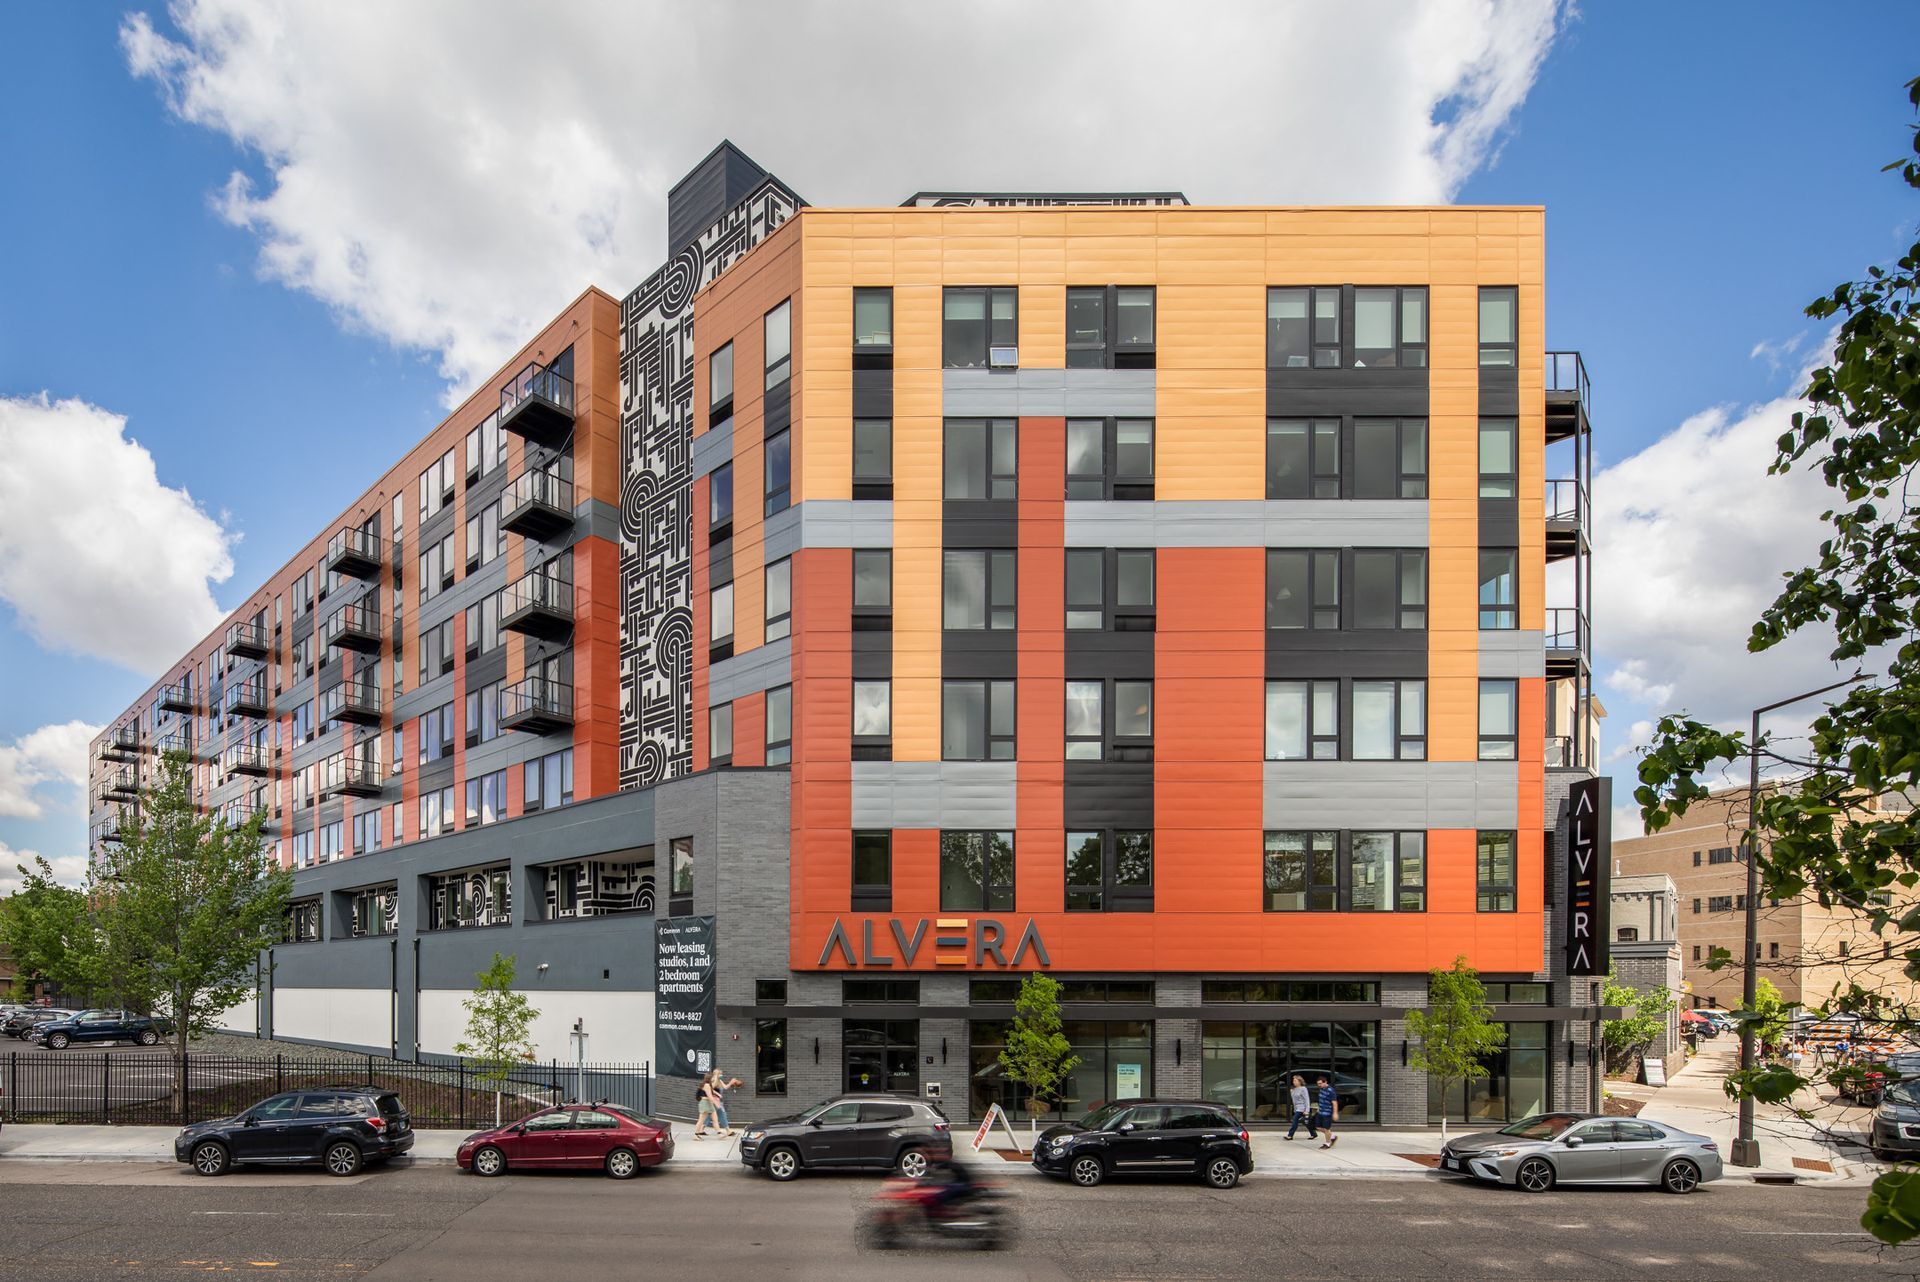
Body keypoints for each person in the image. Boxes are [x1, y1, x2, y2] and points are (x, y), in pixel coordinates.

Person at [708, 1067, 744, 1137]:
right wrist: (717, 1093)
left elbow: (725, 1087)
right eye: (720, 1074)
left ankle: (700, 1130)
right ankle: (728, 1131)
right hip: (715, 1101)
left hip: (718, 1101)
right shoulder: (713, 1080)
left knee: (709, 1115)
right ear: (717, 1074)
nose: (721, 1075)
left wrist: (731, 1082)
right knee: (722, 1114)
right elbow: (710, 1088)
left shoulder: (720, 1081)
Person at [1284, 1074, 1316, 1141]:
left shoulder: (1303, 1089)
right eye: (1293, 1081)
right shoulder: (1294, 1089)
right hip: (1297, 1108)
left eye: (1295, 1081)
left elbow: (1307, 1099)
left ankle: (1290, 1135)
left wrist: (1307, 1110)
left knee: (1295, 1120)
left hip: (1302, 1108)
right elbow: (1294, 1101)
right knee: (1306, 1122)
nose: (1294, 1082)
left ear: (1300, 1081)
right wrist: (1291, 1092)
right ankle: (1313, 1133)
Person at [691, 1069, 720, 1138]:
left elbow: (713, 1086)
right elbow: (710, 1096)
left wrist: (716, 1075)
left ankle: (719, 1133)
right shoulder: (706, 1085)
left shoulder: (708, 1085)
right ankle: (696, 1135)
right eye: (712, 1077)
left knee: (715, 1119)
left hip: (709, 1103)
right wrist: (716, 1103)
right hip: (705, 1103)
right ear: (710, 1078)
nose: (713, 1079)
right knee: (701, 1120)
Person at [1313, 1075, 1339, 1149]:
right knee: (1318, 1127)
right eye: (1318, 1084)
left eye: (1320, 1083)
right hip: (1320, 1111)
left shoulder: (1331, 1091)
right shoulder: (1321, 1089)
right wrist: (1318, 1108)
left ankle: (1327, 1143)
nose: (1319, 1085)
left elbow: (1334, 1102)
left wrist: (1335, 1113)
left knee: (1326, 1128)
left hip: (1327, 1112)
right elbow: (1321, 1099)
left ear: (1325, 1082)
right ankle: (1332, 1136)